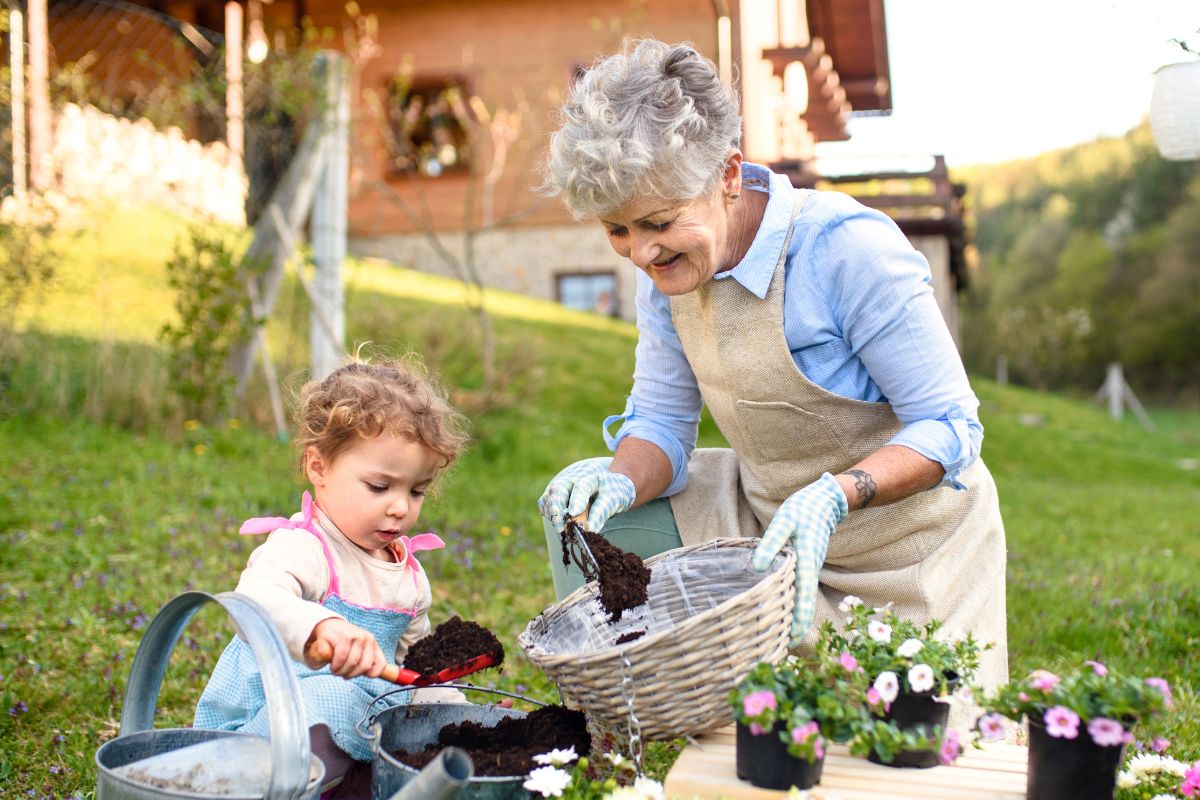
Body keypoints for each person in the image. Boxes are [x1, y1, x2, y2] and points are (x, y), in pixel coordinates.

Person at [536, 39, 1008, 696]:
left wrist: (837, 493)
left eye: (658, 222)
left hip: (908, 552)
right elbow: (663, 426)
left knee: (908, 746)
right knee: (587, 508)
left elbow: (952, 425)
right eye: (617, 230)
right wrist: (618, 482)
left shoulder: (846, 249)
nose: (640, 253)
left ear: (728, 175)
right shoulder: (666, 271)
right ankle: (634, 709)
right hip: (768, 528)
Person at [195, 358, 471, 799]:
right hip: (265, 735)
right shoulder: (305, 547)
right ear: (319, 467)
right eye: (379, 487)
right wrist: (321, 627)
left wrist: (459, 722)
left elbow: (417, 673)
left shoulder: (408, 579)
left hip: (354, 739)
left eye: (416, 490)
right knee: (337, 697)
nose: (401, 507)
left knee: (397, 731)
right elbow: (254, 601)